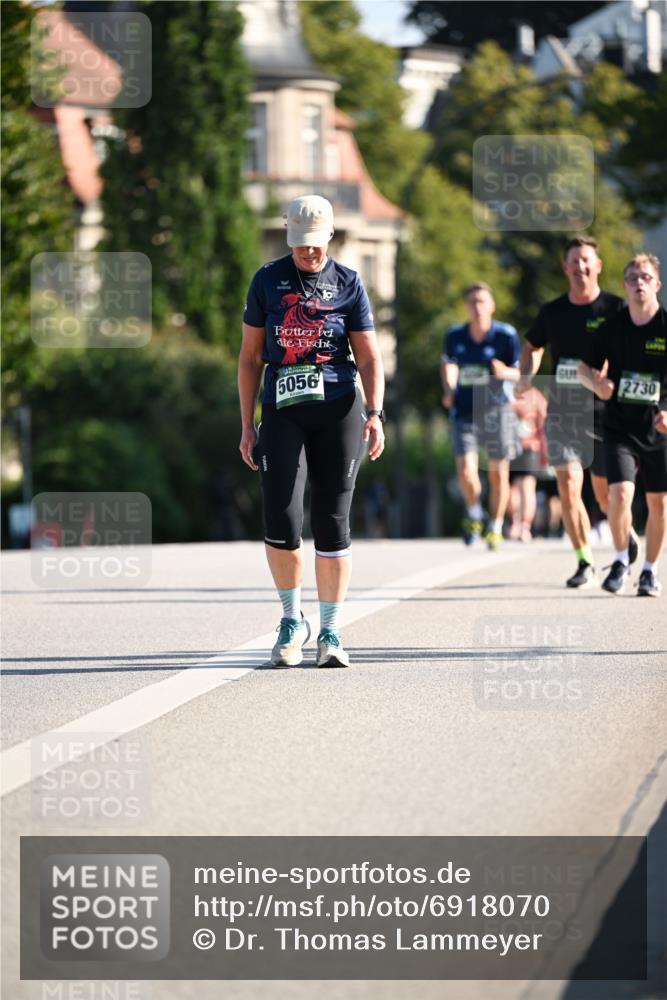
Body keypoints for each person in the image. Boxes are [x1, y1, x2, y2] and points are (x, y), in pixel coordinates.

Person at [238, 195, 385, 667]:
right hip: (282, 406)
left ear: (329, 237)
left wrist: (376, 413)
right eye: (300, 246)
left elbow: (368, 357)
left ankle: (330, 630)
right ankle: (289, 619)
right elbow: (249, 357)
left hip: (339, 408)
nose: (309, 254)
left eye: (316, 246)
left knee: (332, 520)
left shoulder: (349, 282)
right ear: (290, 239)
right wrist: (245, 424)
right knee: (280, 513)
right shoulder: (267, 280)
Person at [516, 237, 628, 587]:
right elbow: (532, 345)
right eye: (574, 261)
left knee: (604, 495)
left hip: (605, 412)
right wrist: (525, 377)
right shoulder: (553, 312)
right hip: (563, 412)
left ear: (598, 265)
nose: (580, 267)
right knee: (567, 485)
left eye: (586, 261)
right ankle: (584, 559)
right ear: (565, 267)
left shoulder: (616, 308)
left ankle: (626, 542)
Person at [578, 254, 667, 596]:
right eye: (632, 278)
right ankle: (619, 560)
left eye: (645, 277)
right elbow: (584, 369)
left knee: (659, 505)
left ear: (657, 284)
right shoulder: (612, 327)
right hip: (619, 427)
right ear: (626, 286)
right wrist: (597, 385)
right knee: (620, 494)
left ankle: (650, 571)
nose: (638, 282)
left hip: (659, 429)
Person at [441, 282, 521, 549]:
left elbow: (522, 373)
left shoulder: (506, 335)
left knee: (499, 474)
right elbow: (449, 364)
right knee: (466, 470)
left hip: (498, 410)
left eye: (482, 302)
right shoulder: (455, 335)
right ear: (466, 307)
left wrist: (504, 372)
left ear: (492, 305)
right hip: (465, 410)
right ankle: (475, 513)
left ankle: (496, 526)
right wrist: (449, 389)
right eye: (472, 302)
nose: (477, 307)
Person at [508, 386, 548, 542]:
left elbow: (544, 423)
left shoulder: (535, 395)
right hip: (510, 447)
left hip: (530, 447)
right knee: (514, 488)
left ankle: (524, 526)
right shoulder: (506, 393)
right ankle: (516, 524)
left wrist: (545, 451)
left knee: (525, 486)